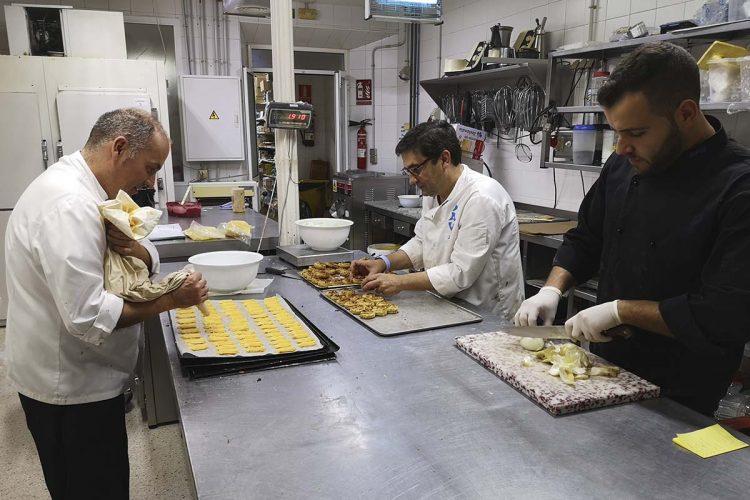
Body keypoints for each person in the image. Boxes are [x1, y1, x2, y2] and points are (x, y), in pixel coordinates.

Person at [514, 42, 750, 416]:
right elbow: (587, 238)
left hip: (678, 394)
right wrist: (551, 288)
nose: (622, 147)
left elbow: (724, 314)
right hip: (604, 371)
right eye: (617, 132)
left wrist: (620, 310)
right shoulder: (626, 163)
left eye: (636, 133)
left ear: (686, 113)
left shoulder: (738, 187)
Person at [4, 108, 208, 499]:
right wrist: (169, 299)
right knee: (91, 489)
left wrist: (135, 248)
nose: (149, 181)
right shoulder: (70, 206)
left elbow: (140, 250)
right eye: (149, 168)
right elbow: (88, 317)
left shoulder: (91, 189)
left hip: (87, 379)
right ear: (119, 148)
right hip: (70, 389)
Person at [351, 121, 524, 320]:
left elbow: (460, 272)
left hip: (486, 314)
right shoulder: (433, 193)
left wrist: (399, 282)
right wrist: (384, 263)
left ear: (444, 159)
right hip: (449, 304)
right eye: (408, 171)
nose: (412, 180)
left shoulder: (481, 199)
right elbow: (423, 241)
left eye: (416, 169)